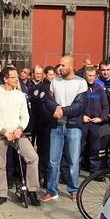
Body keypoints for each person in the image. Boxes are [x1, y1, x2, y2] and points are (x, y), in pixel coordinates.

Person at [0, 66, 40, 206]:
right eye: (13, 77)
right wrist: (3, 132)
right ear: (5, 79)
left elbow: (25, 116)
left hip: (17, 133)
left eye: (16, 76)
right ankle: (1, 193)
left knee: (33, 157)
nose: (17, 79)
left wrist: (20, 129)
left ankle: (32, 190)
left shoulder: (20, 95)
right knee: (0, 164)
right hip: (0, 134)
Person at [42, 55, 87, 202]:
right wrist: (55, 108)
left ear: (71, 66)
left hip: (73, 126)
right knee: (53, 160)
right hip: (56, 126)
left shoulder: (81, 83)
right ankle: (51, 189)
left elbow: (80, 105)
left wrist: (64, 111)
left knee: (73, 160)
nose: (59, 68)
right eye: (59, 65)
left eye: (63, 65)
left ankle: (73, 189)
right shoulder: (55, 81)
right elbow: (47, 100)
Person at [30, 65, 56, 186]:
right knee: (42, 152)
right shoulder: (39, 88)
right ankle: (40, 176)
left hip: (53, 125)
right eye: (50, 74)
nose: (52, 76)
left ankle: (48, 178)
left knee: (51, 153)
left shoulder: (56, 87)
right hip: (41, 124)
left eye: (54, 74)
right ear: (45, 75)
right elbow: (38, 107)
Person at [82, 66, 109, 173]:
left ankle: (95, 172)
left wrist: (101, 118)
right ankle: (76, 171)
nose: (92, 78)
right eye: (89, 76)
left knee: (95, 149)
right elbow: (75, 105)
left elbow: (106, 106)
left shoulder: (100, 89)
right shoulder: (81, 88)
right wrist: (81, 116)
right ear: (85, 76)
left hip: (96, 124)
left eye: (94, 76)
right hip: (84, 122)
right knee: (79, 148)